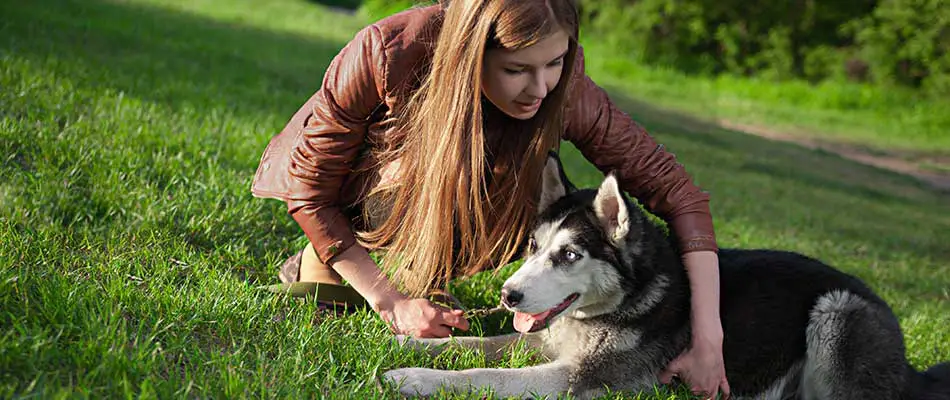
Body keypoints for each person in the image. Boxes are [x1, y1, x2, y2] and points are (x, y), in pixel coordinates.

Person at [251, 0, 729, 398]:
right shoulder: (388, 51)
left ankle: (423, 272)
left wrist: (708, 338)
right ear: (471, 53)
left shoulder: (563, 90)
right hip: (369, 190)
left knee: (533, 177)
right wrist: (390, 301)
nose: (541, 88)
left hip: (450, 214)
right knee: (410, 174)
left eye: (555, 63)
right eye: (517, 69)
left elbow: (680, 196)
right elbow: (312, 188)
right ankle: (335, 264)